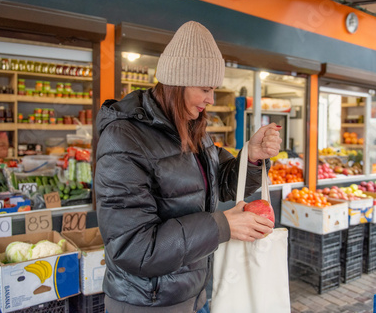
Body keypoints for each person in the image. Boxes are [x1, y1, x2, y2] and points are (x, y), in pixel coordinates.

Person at [95, 21, 282, 313]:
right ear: (177, 83)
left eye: (214, 90)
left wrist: (252, 158)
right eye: (205, 89)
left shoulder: (193, 130)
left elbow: (221, 183)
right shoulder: (124, 138)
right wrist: (223, 225)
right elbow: (132, 247)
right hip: (147, 302)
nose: (210, 100)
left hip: (192, 291)